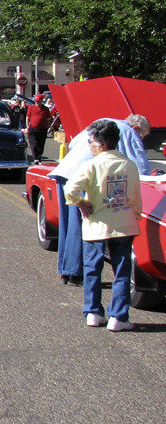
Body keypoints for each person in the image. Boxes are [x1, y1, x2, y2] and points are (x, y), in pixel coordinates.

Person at [50, 114, 152, 286]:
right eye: (143, 135)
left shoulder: (102, 122)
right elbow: (139, 164)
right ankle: (77, 272)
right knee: (83, 222)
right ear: (137, 129)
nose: (141, 139)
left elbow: (74, 143)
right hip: (83, 175)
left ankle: (69, 270)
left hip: (65, 171)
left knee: (69, 225)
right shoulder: (129, 131)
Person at [63, 119, 141, 332]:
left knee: (92, 268)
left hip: (96, 223)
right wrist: (135, 215)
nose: (89, 145)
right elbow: (135, 196)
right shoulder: (129, 164)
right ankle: (118, 315)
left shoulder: (91, 165)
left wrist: (80, 203)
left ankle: (93, 312)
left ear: (100, 143)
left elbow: (70, 189)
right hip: (123, 223)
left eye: (91, 141)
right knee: (122, 270)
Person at [23, 94, 52, 161]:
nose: (37, 103)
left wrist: (47, 127)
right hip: (33, 128)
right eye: (36, 101)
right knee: (34, 144)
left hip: (42, 129)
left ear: (41, 101)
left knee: (41, 144)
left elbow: (48, 119)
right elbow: (27, 118)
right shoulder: (31, 107)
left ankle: (39, 156)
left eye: (38, 101)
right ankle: (35, 157)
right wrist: (28, 127)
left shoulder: (45, 109)